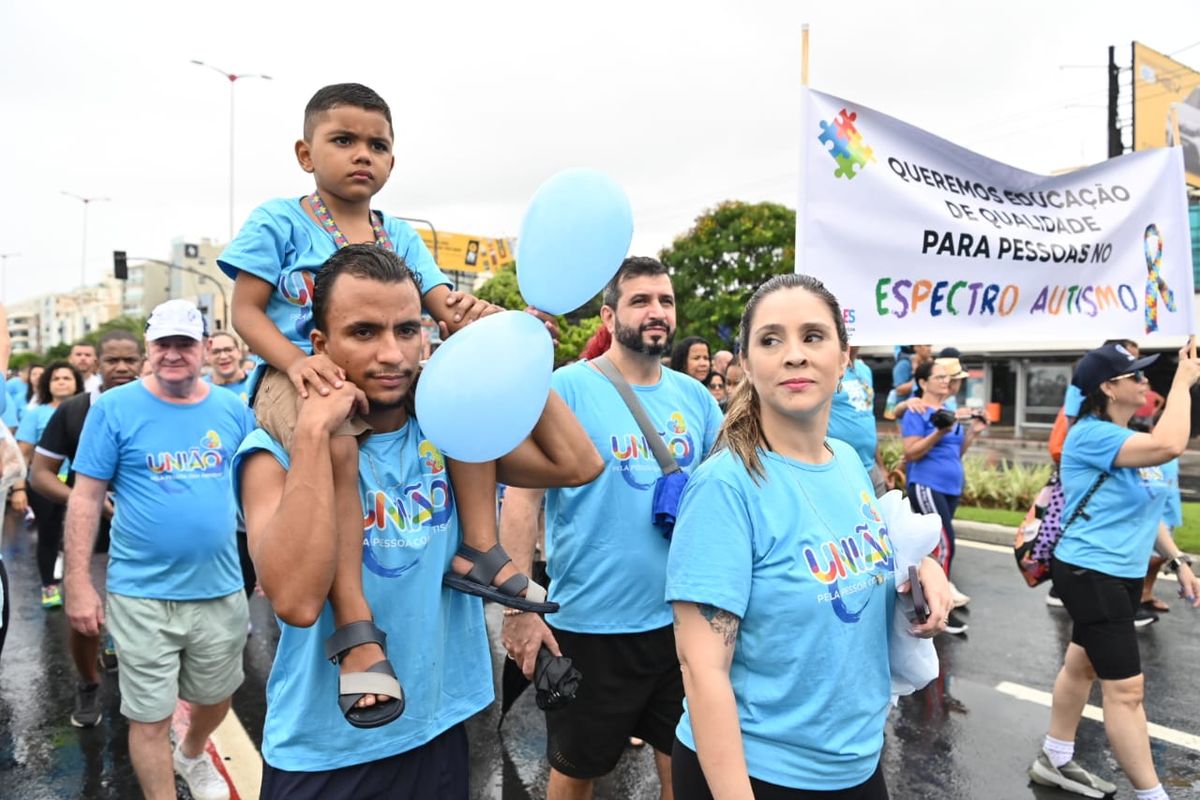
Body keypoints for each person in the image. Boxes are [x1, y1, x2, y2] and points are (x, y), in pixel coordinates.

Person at [219, 82, 553, 729]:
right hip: (300, 381)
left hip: (381, 384)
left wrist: (486, 323)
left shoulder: (397, 233)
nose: (361, 154)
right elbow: (245, 312)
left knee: (456, 402)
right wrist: (296, 362)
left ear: (393, 162)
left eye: (377, 144)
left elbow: (439, 306)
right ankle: (356, 626)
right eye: (343, 140)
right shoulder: (277, 221)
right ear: (304, 152)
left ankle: (480, 548)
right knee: (336, 439)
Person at [234, 246, 601, 797]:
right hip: (329, 749)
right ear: (320, 347)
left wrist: (508, 350)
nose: (393, 354)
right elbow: (295, 601)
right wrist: (312, 434)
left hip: (438, 728)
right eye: (363, 332)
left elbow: (576, 463)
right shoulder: (274, 454)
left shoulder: (447, 434)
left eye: (408, 330)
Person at [666, 273, 952, 799]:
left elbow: (865, 555)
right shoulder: (725, 487)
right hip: (758, 773)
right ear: (747, 365)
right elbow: (703, 669)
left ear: (845, 359)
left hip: (859, 763)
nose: (794, 355)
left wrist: (923, 570)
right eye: (771, 340)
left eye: (813, 336)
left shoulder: (844, 461)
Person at [500, 256, 724, 800]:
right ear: (608, 315)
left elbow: (728, 497)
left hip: (681, 622)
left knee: (686, 769)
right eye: (641, 300)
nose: (657, 312)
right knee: (576, 770)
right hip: (590, 627)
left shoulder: (695, 399)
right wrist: (518, 609)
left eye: (665, 301)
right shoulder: (565, 389)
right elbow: (522, 502)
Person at [64, 300, 253, 800]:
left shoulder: (233, 410)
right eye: (163, 344)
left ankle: (190, 753)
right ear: (150, 349)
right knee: (148, 715)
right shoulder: (114, 408)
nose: (173, 354)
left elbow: (256, 494)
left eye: (184, 344)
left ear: (205, 349)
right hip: (141, 592)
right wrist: (78, 584)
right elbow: (84, 498)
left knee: (216, 696)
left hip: (220, 586)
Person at [1032, 341, 1200, 800]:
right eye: (1138, 376)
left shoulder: (1129, 434)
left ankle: (1055, 757)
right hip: (1091, 572)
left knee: (1081, 664)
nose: (1147, 383)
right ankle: (1152, 795)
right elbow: (1170, 445)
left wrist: (1179, 559)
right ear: (1108, 387)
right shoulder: (1090, 435)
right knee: (1126, 692)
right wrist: (1184, 382)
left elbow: (1149, 514)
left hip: (1118, 573)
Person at [31, 329, 143, 728]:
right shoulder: (75, 410)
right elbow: (40, 474)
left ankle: (142, 692)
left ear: (143, 360)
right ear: (96, 364)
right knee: (86, 621)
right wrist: (86, 499)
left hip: (149, 541)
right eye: (112, 360)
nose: (122, 367)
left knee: (146, 623)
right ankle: (88, 682)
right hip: (93, 539)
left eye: (130, 359)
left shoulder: (162, 404)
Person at [900, 359, 988, 633]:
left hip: (950, 488)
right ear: (923, 383)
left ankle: (923, 605)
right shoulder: (916, 411)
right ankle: (940, 611)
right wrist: (938, 432)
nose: (945, 381)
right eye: (938, 377)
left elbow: (956, 452)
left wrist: (973, 432)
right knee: (946, 546)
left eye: (946, 378)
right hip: (927, 484)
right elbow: (911, 452)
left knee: (933, 548)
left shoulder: (948, 410)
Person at [15, 360, 83, 608]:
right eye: (56, 378)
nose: (62, 382)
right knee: (49, 535)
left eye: (67, 377)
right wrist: (19, 488)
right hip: (45, 487)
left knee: (84, 535)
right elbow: (23, 454)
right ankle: (49, 587)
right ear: (47, 384)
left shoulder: (90, 410)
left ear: (77, 383)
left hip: (82, 484)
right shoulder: (35, 414)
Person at [828, 345, 887, 496]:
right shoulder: (827, 369)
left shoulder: (864, 369)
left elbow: (868, 420)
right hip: (840, 468)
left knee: (882, 518)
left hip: (870, 467)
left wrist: (882, 467)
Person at [206, 331, 251, 403]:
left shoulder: (257, 383)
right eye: (216, 352)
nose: (223, 356)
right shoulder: (198, 389)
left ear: (239, 353)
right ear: (207, 357)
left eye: (228, 350)